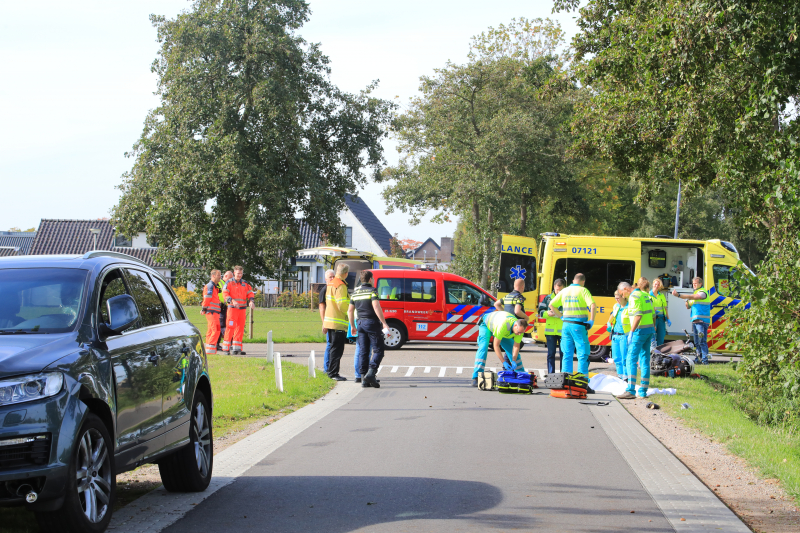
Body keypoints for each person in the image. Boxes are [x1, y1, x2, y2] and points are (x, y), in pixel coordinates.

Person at [548, 273, 596, 387]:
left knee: (567, 353)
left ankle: (565, 380)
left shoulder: (565, 290)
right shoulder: (583, 291)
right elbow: (593, 306)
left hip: (566, 326)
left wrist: (561, 316)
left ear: (573, 280)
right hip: (579, 326)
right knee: (582, 353)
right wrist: (592, 320)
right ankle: (582, 382)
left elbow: (551, 305)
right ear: (583, 281)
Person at [348, 271, 390, 388]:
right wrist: (384, 323)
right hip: (371, 323)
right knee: (378, 350)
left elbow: (350, 310)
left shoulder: (355, 292)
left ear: (362, 280)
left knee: (363, 351)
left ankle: (363, 379)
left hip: (360, 323)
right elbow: (376, 306)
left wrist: (352, 325)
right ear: (370, 279)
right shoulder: (372, 291)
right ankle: (371, 373)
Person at [617, 278, 655, 399]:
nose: (623, 296)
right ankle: (643, 390)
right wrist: (653, 328)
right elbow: (653, 314)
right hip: (649, 330)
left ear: (626, 289)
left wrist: (632, 332)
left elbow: (638, 315)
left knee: (631, 359)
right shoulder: (645, 295)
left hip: (639, 332)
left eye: (622, 293)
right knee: (644, 359)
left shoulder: (634, 297)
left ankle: (630, 390)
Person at [471, 311, 528, 387]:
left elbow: (516, 346)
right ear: (515, 325)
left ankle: (521, 376)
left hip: (502, 330)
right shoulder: (503, 325)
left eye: (521, 332)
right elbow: (496, 346)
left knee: (512, 351)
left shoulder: (519, 329)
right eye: (518, 332)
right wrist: (503, 362)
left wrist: (513, 360)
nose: (519, 334)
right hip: (486, 324)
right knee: (483, 348)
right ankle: (476, 377)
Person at [671, 277, 711, 365]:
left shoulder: (703, 292)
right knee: (697, 342)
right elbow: (687, 306)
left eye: (696, 283)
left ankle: (705, 361)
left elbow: (694, 297)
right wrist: (686, 300)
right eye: (693, 283)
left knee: (702, 341)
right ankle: (698, 359)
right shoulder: (695, 292)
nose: (694, 285)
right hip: (695, 321)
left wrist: (679, 295)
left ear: (701, 283)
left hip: (702, 321)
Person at [322, 263, 350, 381]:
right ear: (346, 273)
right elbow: (342, 304)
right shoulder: (341, 285)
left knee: (333, 347)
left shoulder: (331, 283)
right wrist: (351, 311)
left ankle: (331, 371)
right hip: (338, 322)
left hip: (330, 321)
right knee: (337, 349)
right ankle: (333, 373)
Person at [221, 266, 255, 356]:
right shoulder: (229, 283)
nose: (239, 275)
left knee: (240, 328)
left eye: (241, 273)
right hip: (232, 309)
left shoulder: (245, 283)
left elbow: (250, 293)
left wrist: (251, 301)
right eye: (238, 273)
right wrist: (232, 301)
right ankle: (226, 349)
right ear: (234, 273)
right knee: (230, 327)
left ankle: (237, 349)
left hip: (242, 309)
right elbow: (225, 293)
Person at [538, 278, 565, 374]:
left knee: (563, 355)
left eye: (561, 290)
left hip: (563, 331)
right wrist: (546, 313)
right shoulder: (548, 298)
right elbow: (540, 312)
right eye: (557, 289)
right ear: (554, 287)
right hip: (550, 332)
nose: (558, 292)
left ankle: (563, 375)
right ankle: (551, 375)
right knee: (551, 354)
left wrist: (558, 314)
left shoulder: (566, 298)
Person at [495, 278, 528, 350]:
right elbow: (517, 311)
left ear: (514, 286)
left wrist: (505, 313)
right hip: (516, 325)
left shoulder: (507, 296)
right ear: (522, 286)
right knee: (514, 346)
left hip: (507, 325)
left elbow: (496, 304)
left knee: (509, 346)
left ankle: (509, 360)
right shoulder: (519, 297)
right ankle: (510, 360)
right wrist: (526, 317)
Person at [606, 289, 630, 379]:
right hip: (615, 336)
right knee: (616, 359)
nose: (616, 300)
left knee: (624, 358)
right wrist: (609, 323)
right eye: (615, 298)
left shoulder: (629, 307)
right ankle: (620, 376)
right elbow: (612, 316)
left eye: (618, 298)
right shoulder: (616, 306)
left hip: (624, 336)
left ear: (623, 296)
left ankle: (626, 378)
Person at [317, 269, 335, 373]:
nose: (332, 278)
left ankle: (331, 368)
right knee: (329, 345)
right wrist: (324, 323)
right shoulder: (324, 290)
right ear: (326, 279)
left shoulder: (334, 288)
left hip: (335, 321)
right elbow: (321, 308)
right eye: (330, 277)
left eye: (333, 276)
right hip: (328, 322)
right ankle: (326, 368)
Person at [201, 269, 222, 355]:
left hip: (214, 312)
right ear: (213, 276)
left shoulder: (214, 287)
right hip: (212, 312)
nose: (220, 277)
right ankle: (210, 350)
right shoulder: (210, 286)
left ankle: (209, 349)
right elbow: (207, 299)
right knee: (215, 330)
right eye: (218, 275)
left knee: (211, 330)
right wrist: (204, 308)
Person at [650, 277, 671, 351]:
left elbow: (665, 308)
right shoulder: (648, 295)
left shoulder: (661, 296)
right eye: (655, 284)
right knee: (652, 337)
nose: (656, 286)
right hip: (652, 319)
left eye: (658, 285)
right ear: (653, 284)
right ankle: (652, 353)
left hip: (661, 319)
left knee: (661, 337)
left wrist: (668, 318)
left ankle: (659, 354)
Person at [217, 270, 233, 349]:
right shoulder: (220, 283)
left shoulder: (226, 284)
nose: (231, 279)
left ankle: (226, 343)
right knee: (222, 325)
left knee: (224, 325)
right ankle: (220, 343)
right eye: (230, 277)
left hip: (225, 307)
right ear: (226, 276)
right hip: (220, 307)